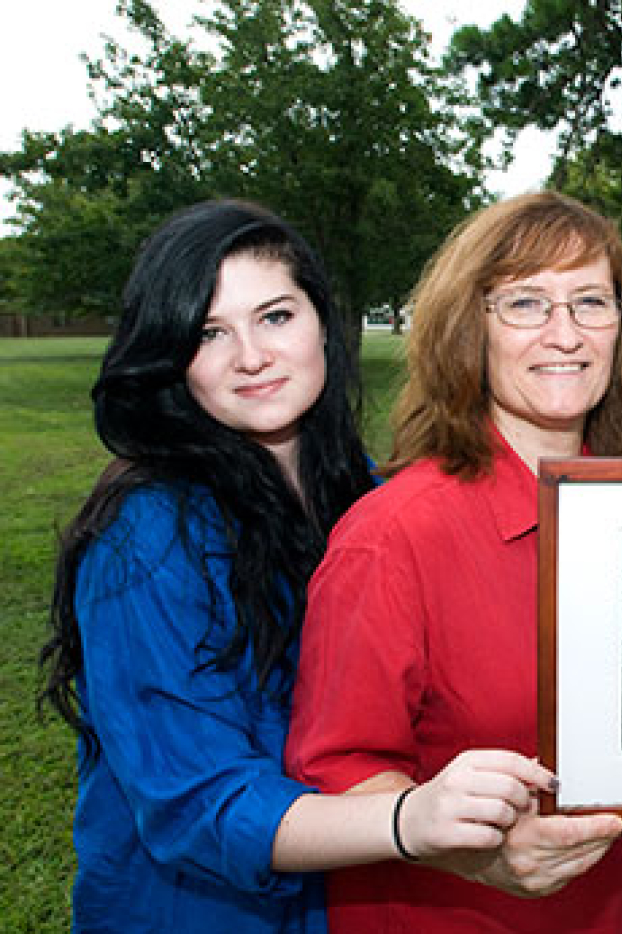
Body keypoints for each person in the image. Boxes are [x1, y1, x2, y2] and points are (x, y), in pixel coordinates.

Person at [38, 200, 565, 933]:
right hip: (196, 912)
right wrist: (411, 819)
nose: (250, 356)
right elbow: (201, 804)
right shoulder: (148, 535)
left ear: (323, 322)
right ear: (172, 356)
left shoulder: (372, 502)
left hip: (350, 903)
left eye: (275, 317)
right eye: (209, 332)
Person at [284, 191, 622, 933]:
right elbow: (336, 776)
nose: (565, 333)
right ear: (473, 328)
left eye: (591, 301)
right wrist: (474, 853)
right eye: (526, 303)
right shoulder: (393, 537)